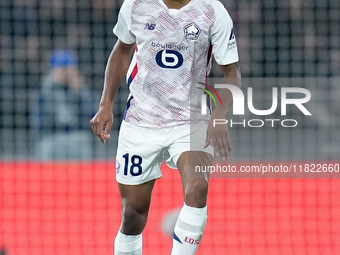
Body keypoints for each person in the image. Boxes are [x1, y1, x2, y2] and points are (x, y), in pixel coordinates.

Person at [90, 0, 241, 254]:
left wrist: (220, 114)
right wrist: (106, 103)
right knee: (132, 215)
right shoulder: (136, 5)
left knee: (198, 186)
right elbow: (122, 51)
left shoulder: (213, 11)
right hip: (141, 121)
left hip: (191, 119)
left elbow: (231, 71)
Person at [31, 50, 97, 159]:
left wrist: (77, 92)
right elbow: (41, 122)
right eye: (61, 68)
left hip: (77, 137)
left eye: (68, 68)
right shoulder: (44, 90)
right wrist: (56, 87)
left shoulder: (82, 90)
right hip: (51, 137)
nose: (65, 72)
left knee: (81, 140)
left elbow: (92, 117)